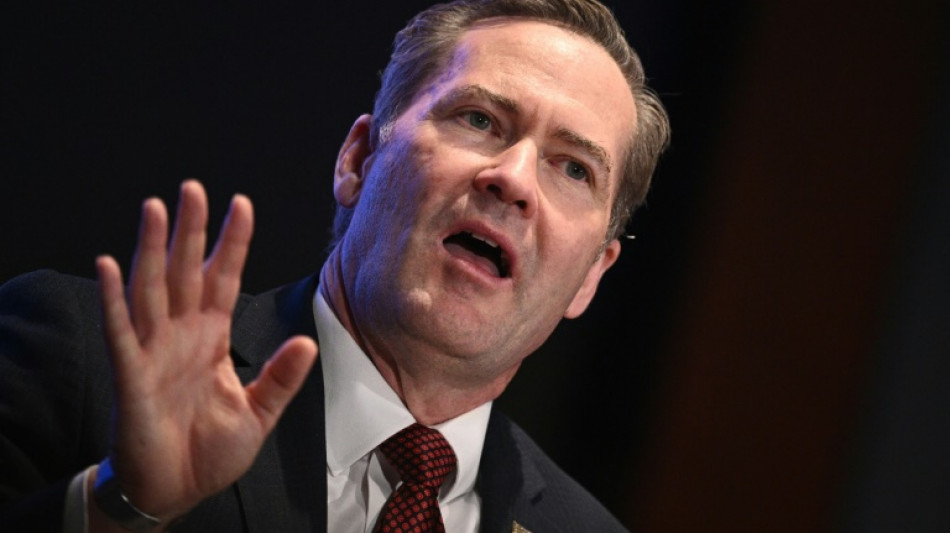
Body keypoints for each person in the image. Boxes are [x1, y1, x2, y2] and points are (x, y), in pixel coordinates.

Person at [0, 0, 670, 531]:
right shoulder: (77, 359)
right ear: (358, 160)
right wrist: (126, 504)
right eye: (479, 119)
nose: (514, 178)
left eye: (573, 169)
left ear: (593, 274)